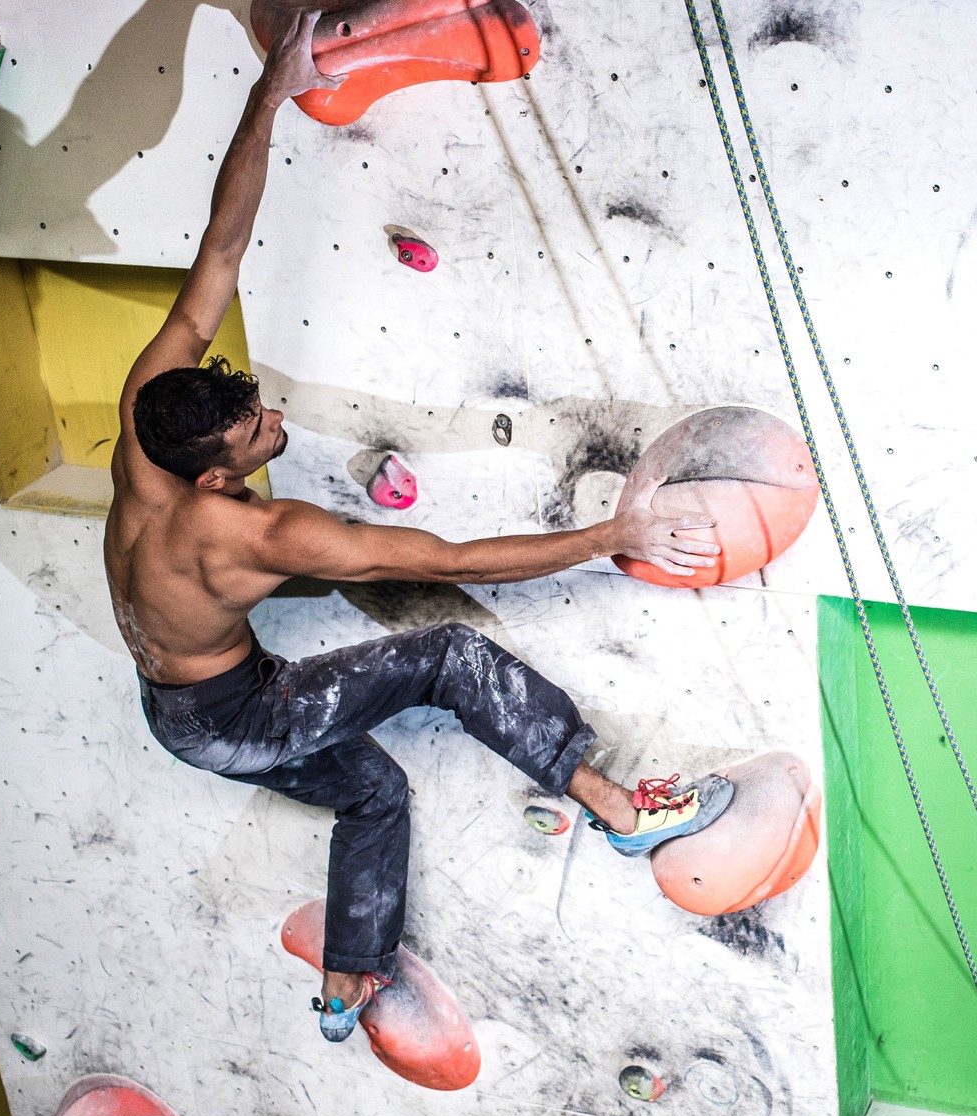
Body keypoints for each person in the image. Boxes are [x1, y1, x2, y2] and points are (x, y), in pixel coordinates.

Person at [105, 10, 731, 1043]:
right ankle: (620, 812)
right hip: (234, 716)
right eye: (258, 428)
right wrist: (607, 536)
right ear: (215, 476)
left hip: (176, 717)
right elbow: (453, 559)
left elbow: (220, 247)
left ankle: (346, 988)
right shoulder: (248, 536)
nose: (272, 418)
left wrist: (271, 92)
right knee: (447, 655)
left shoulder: (146, 426)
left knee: (372, 793)